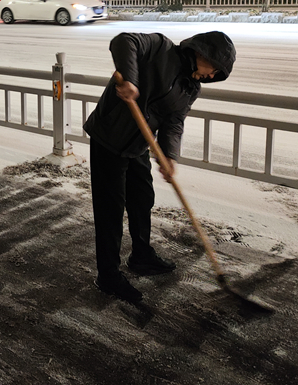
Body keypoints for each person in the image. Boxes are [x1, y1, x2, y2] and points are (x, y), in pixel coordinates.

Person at [83, 31, 236, 303]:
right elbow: (123, 41)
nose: (212, 76)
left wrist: (169, 156)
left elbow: (174, 122)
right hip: (110, 137)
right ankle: (108, 275)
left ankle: (141, 256)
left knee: (143, 199)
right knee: (111, 210)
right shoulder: (160, 48)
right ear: (203, 53)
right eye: (215, 69)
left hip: (138, 144)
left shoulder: (191, 88)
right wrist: (131, 79)